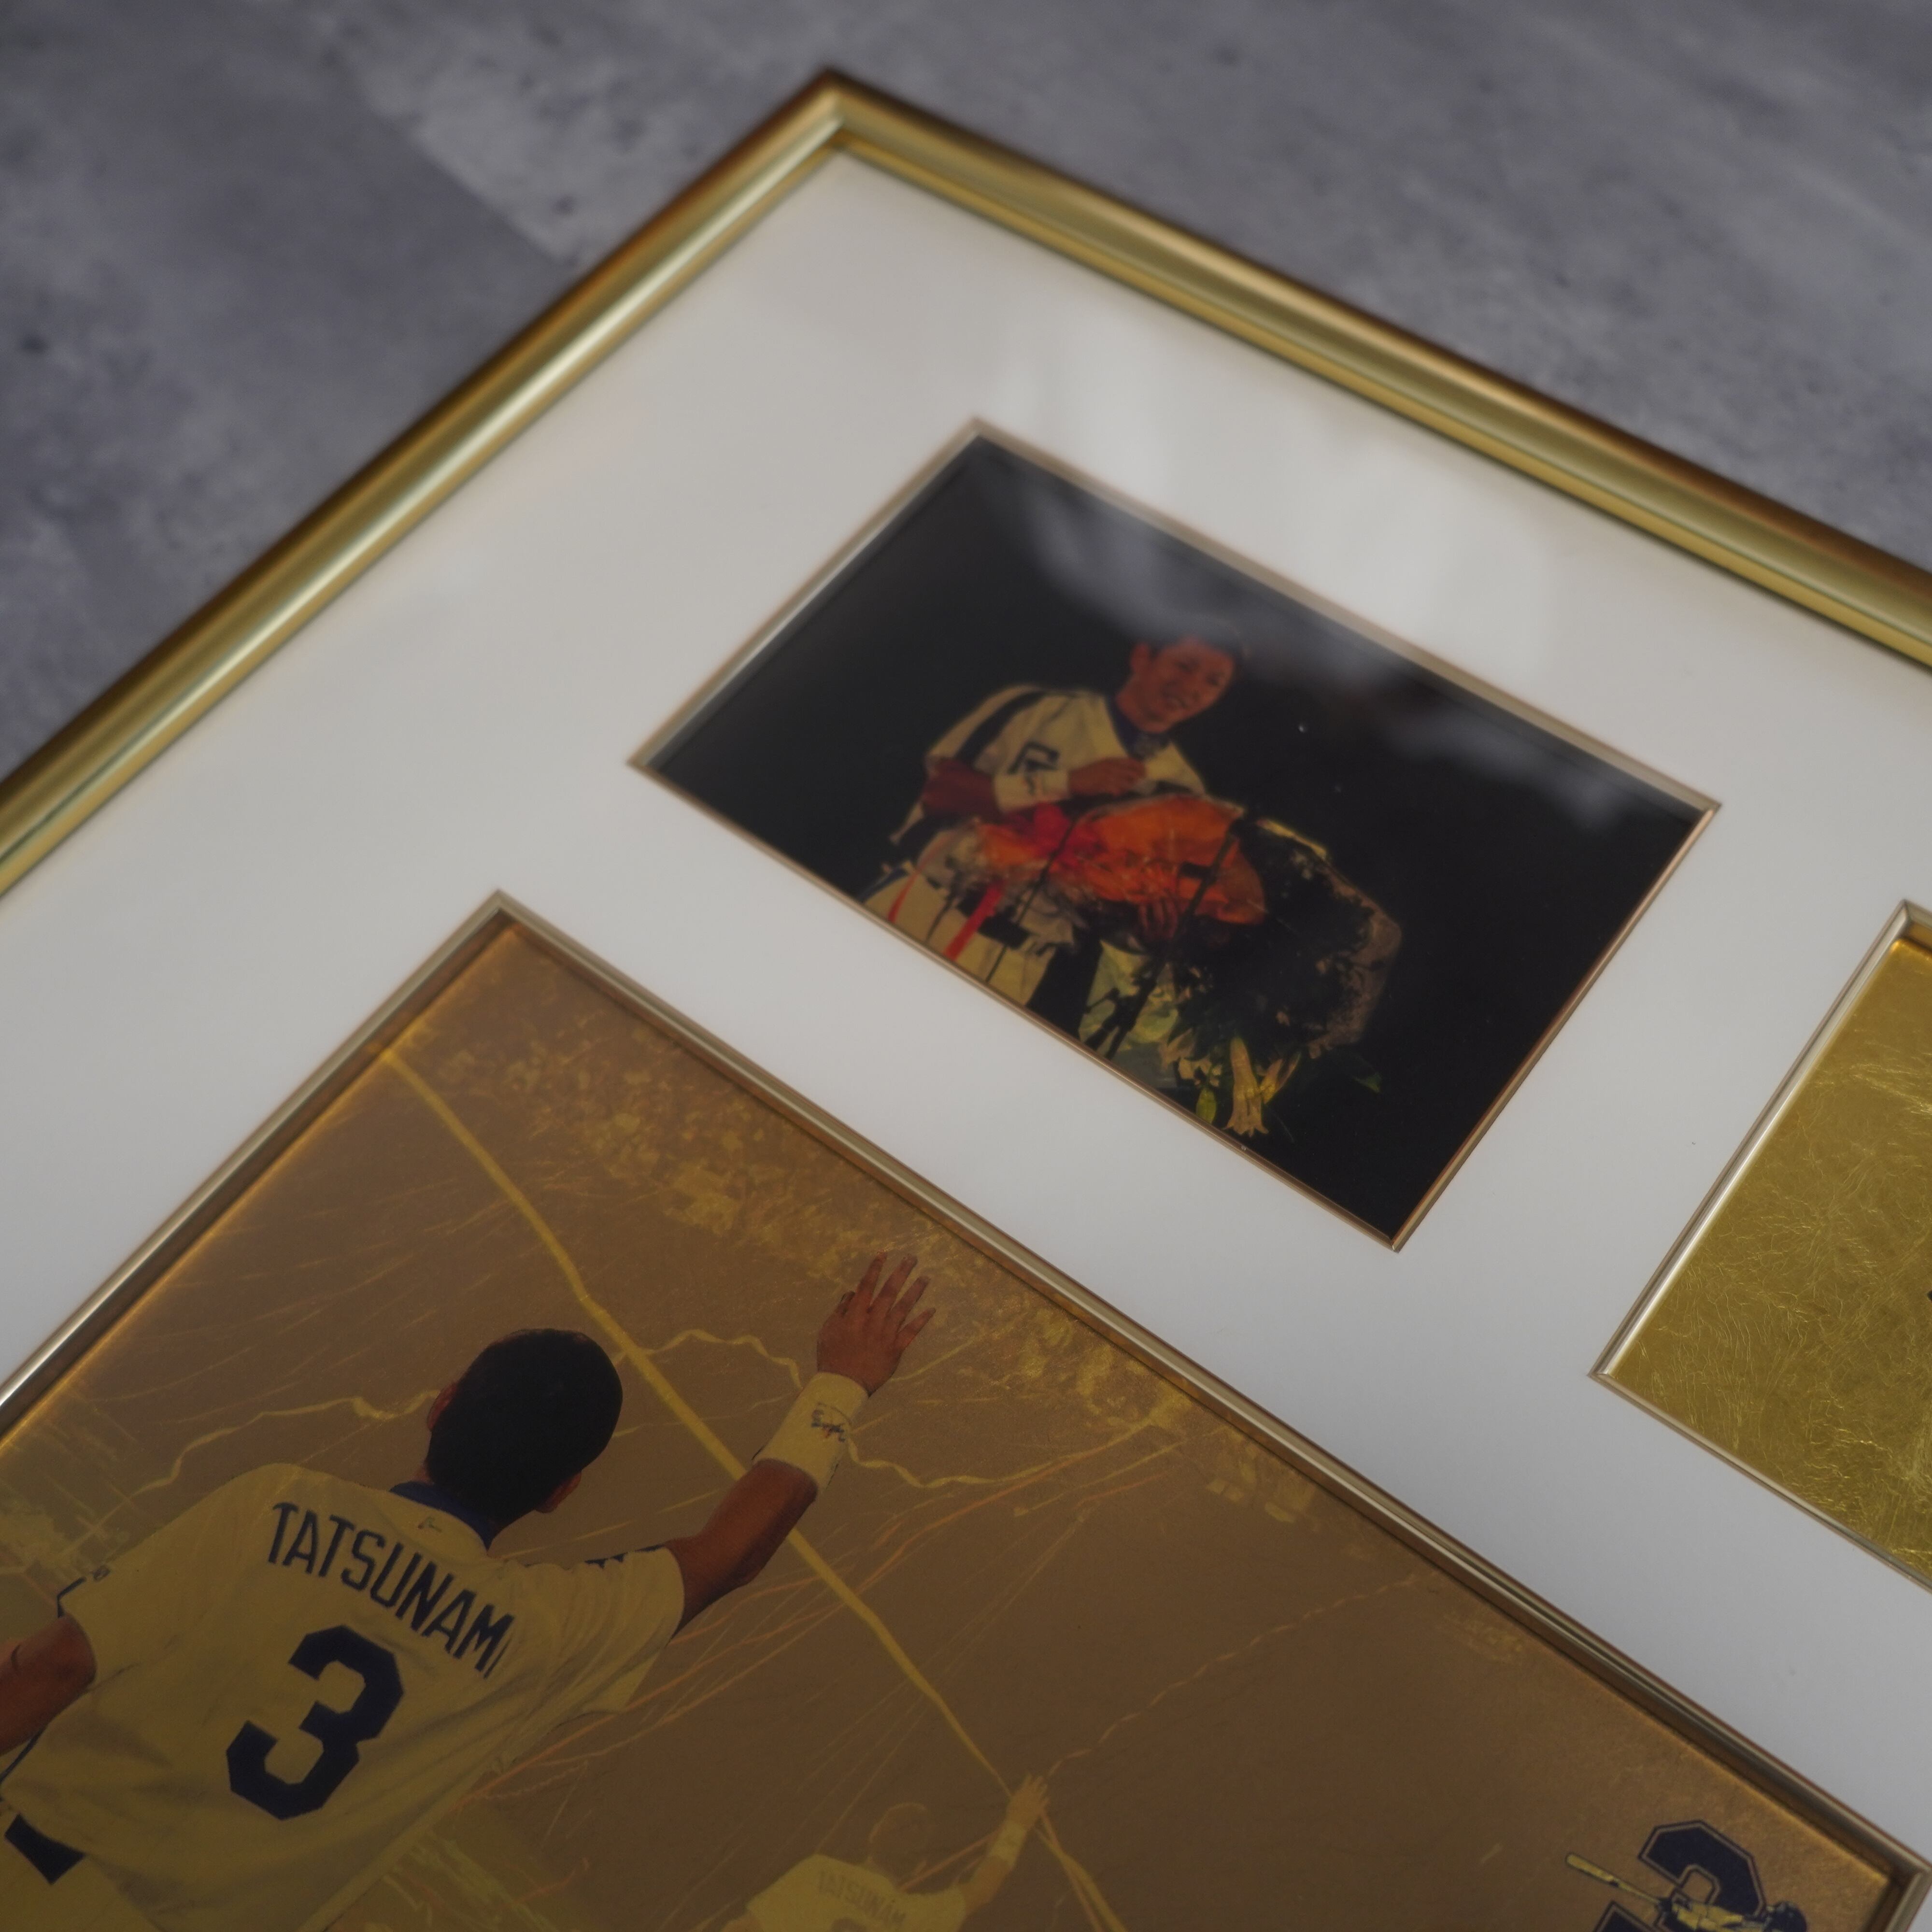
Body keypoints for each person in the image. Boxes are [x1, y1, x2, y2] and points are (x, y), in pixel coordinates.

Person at [0, 1255, 933, 1932]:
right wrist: (842, 1386)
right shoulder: (541, 1631)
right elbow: (727, 1557)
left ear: (442, 1403)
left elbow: (59, 1666)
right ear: (563, 1490)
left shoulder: (277, 1503)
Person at [864, 633, 1238, 1006]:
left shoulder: (1182, 791)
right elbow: (941, 792)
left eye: (1213, 682)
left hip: (1019, 960)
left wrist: (1149, 929)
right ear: (1143, 657)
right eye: (1184, 666)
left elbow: (1116, 921)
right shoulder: (1040, 708)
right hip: (925, 905)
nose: (1192, 687)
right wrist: (1066, 783)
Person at [724, 1776, 1050, 1932]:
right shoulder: (919, 1917)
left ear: (873, 1835)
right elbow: (982, 1890)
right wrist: (1017, 1824)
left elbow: (746, 1930)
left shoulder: (816, 1871)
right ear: (920, 1866)